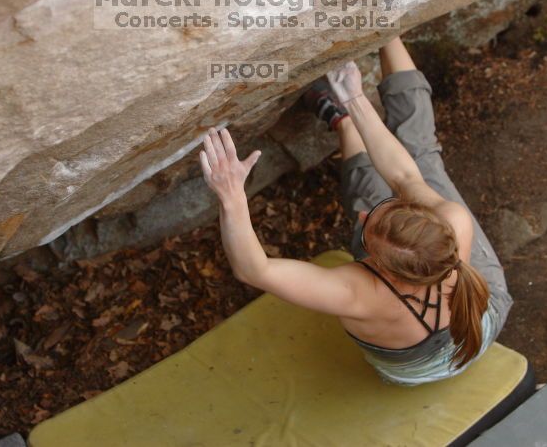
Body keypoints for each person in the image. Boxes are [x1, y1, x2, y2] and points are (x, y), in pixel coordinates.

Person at [198, 36, 512, 385]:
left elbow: (254, 270)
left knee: (367, 193)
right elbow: (404, 175)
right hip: (481, 323)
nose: (362, 219)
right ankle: (388, 35)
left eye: (368, 232)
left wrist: (231, 197)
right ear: (426, 221)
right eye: (383, 214)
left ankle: (343, 124)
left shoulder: (361, 295)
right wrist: (354, 96)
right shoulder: (453, 224)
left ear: (385, 271)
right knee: (420, 164)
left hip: (416, 369)